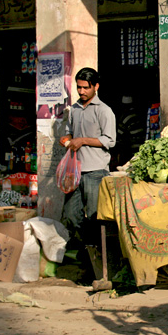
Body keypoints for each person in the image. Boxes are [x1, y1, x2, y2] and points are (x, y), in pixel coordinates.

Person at [59, 67, 116, 273]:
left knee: (94, 218)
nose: (81, 91)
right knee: (71, 215)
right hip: (75, 172)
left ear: (96, 87)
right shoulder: (74, 109)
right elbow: (68, 132)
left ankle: (98, 265)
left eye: (85, 88)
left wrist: (83, 140)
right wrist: (66, 139)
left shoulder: (104, 111)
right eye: (79, 87)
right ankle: (87, 252)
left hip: (96, 172)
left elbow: (110, 141)